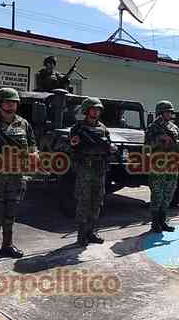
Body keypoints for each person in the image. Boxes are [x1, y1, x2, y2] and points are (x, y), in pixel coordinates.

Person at [0, 88, 38, 262]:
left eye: (14, 102)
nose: (11, 105)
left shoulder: (23, 124)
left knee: (11, 211)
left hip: (16, 175)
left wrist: (34, 155)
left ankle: (8, 245)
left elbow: (32, 145)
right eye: (7, 102)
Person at [70, 97, 116, 246]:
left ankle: (91, 232)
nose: (96, 112)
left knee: (97, 200)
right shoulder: (78, 128)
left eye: (98, 109)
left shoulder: (103, 128)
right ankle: (81, 234)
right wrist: (79, 144)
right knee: (84, 201)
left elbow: (109, 145)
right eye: (93, 109)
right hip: (86, 168)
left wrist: (110, 149)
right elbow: (73, 146)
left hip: (100, 167)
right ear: (86, 110)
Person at [145, 100, 179, 233]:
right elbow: (147, 146)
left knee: (168, 194)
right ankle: (155, 223)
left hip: (172, 165)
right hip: (159, 165)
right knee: (157, 195)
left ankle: (163, 221)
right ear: (160, 113)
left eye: (170, 112)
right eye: (167, 112)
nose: (170, 114)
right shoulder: (153, 127)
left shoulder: (174, 127)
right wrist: (160, 139)